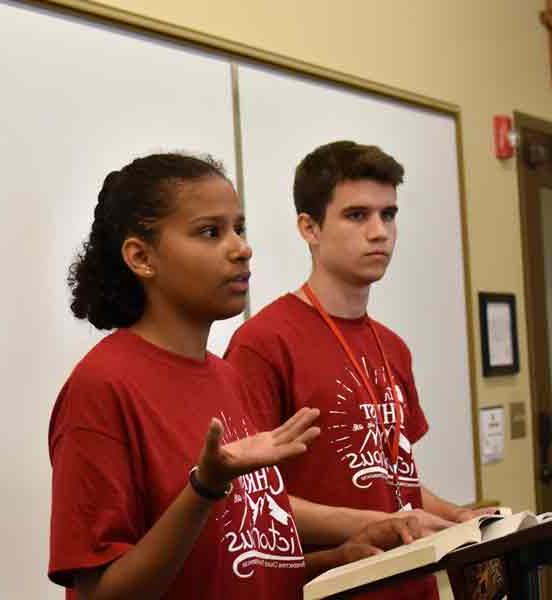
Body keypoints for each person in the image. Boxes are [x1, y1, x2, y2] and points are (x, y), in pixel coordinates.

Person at [48, 153, 421, 600]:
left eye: (239, 228)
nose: (241, 248)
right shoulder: (103, 386)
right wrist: (203, 487)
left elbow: (241, 563)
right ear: (141, 257)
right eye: (210, 232)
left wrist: (335, 560)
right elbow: (101, 592)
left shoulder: (226, 376)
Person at [225, 141, 495, 599]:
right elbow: (251, 502)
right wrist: (379, 523)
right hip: (334, 585)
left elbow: (395, 482)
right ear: (309, 227)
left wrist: (459, 518)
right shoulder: (263, 343)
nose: (379, 232)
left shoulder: (392, 346)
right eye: (357, 215)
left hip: (414, 585)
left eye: (388, 214)